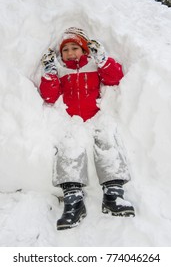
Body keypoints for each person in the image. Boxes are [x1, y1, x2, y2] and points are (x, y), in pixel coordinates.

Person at [39, 27, 135, 230]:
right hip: (71, 119)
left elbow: (114, 78)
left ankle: (113, 194)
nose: (70, 53)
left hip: (96, 116)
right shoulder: (61, 69)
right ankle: (73, 201)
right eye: (66, 50)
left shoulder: (94, 65)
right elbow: (49, 97)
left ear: (84, 50)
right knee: (68, 149)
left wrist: (103, 60)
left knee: (107, 141)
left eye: (75, 48)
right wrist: (49, 74)